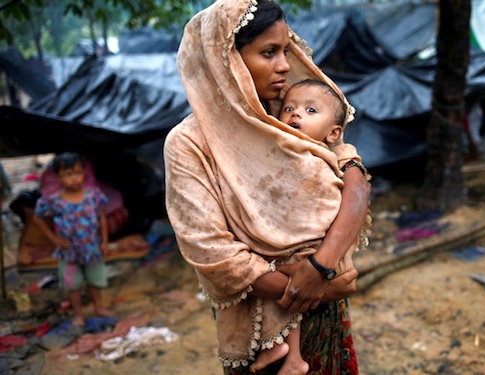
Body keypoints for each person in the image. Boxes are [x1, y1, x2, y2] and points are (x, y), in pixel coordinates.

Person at [163, 0, 371, 374]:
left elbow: (353, 179)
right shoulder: (189, 143)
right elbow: (211, 253)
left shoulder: (288, 114)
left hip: (323, 302)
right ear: (226, 59)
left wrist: (322, 267)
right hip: (257, 326)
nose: (284, 66)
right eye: (269, 52)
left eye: (286, 51)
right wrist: (311, 287)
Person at [248, 79, 363, 374]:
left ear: (333, 133)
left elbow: (335, 192)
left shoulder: (321, 155)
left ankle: (291, 355)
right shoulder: (286, 143)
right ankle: (285, 351)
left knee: (291, 279)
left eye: (310, 110)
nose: (296, 115)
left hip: (315, 242)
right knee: (281, 280)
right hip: (297, 238)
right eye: (289, 108)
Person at [33, 152, 115, 326]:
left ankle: (98, 307)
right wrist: (54, 239)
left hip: (92, 248)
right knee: (73, 284)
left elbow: (101, 217)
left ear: (84, 172)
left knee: (95, 280)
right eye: (67, 174)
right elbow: (37, 218)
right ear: (58, 177)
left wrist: (105, 242)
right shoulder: (54, 201)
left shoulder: (93, 196)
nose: (74, 178)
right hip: (68, 251)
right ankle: (78, 314)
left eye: (78, 173)